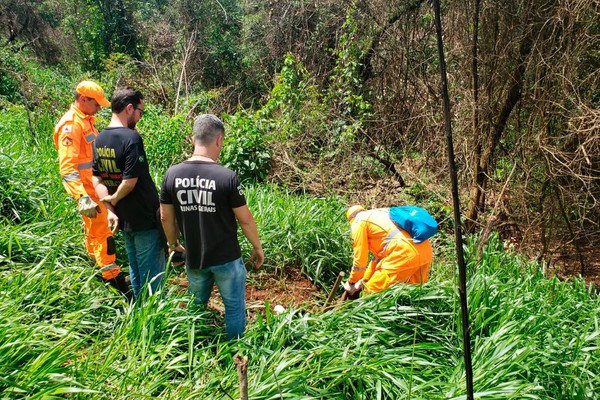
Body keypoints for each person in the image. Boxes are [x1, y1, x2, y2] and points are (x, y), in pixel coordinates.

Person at [159, 114, 264, 340]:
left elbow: (165, 218)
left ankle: (192, 350)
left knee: (195, 308)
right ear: (219, 141)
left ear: (193, 139)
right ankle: (234, 354)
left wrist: (172, 243)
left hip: (195, 257)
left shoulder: (172, 175)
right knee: (234, 308)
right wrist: (257, 247)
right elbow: (245, 219)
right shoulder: (227, 177)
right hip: (227, 258)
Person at [53, 80, 131, 300]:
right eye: (96, 104)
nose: (100, 108)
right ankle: (114, 282)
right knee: (104, 235)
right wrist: (82, 198)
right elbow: (67, 168)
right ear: (83, 99)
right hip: (89, 194)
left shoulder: (86, 120)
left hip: (95, 190)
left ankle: (98, 270)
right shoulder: (71, 125)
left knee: (95, 235)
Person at [92, 86, 165, 300]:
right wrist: (113, 199)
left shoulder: (100, 139)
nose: (139, 117)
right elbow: (130, 181)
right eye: (140, 112)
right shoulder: (132, 139)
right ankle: (154, 322)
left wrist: (110, 208)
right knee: (153, 275)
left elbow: (96, 178)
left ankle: (139, 315)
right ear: (129, 108)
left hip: (123, 217)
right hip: (144, 217)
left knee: (135, 270)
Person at [343, 205, 433, 297]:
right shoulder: (381, 214)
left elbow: (360, 258)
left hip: (403, 253)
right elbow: (376, 259)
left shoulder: (358, 222)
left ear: (350, 219)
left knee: (372, 292)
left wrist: (352, 281)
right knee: (412, 295)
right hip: (425, 251)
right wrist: (364, 280)